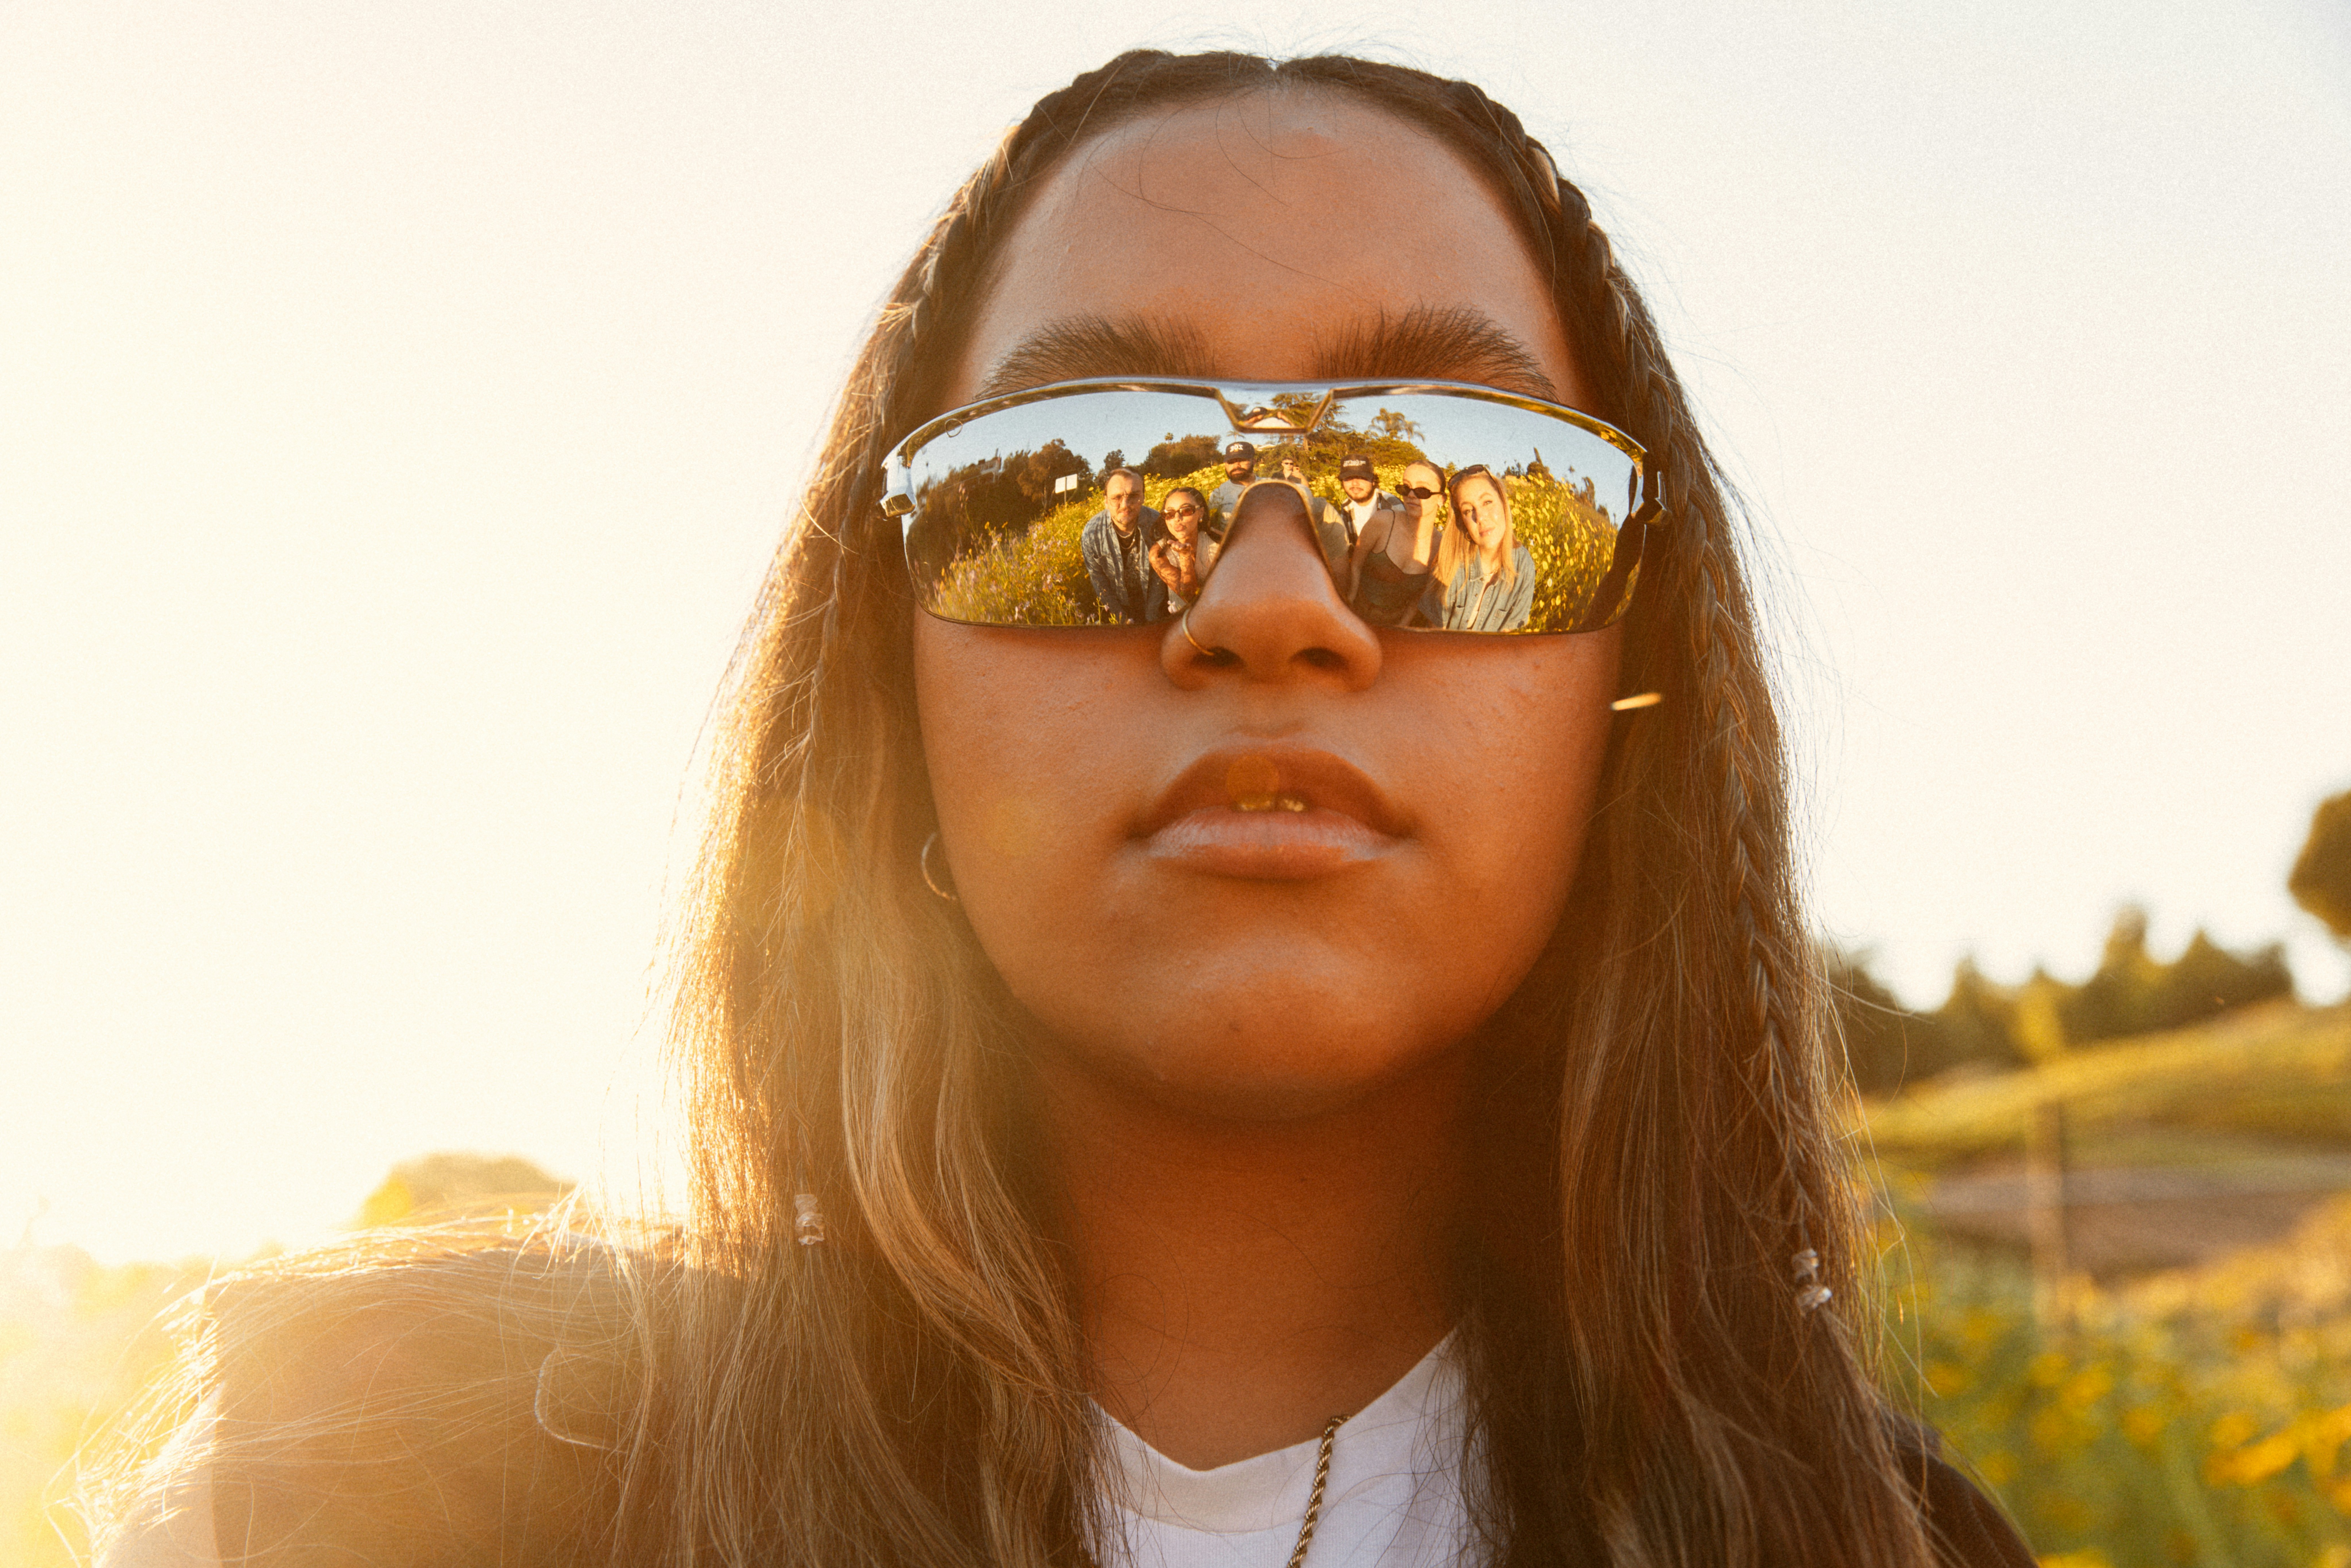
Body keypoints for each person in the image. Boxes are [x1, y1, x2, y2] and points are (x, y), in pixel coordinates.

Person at [90, 49, 2034, 1568]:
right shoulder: (357, 1498)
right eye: (1076, 487)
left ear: (1631, 679)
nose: (1268, 607)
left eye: (1454, 491)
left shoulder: (1879, 1549)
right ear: (888, 674)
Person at [1423, 465, 1536, 632]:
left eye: (1488, 502)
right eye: (1468, 510)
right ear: (1463, 522)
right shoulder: (1451, 562)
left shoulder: (1524, 565)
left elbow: (1507, 635)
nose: (1481, 518)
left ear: (1504, 504)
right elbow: (1435, 636)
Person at [1349, 458, 1443, 627]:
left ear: (1441, 499)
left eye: (1422, 490)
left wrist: (1401, 629)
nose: (1412, 495)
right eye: (1406, 488)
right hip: (1355, 620)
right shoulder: (1383, 522)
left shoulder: (1442, 546)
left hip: (1398, 629)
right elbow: (1355, 568)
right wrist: (1347, 612)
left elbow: (1419, 598)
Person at [1080, 466, 1170, 623]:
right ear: (1106, 501)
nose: (1125, 505)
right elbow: (1100, 584)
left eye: (1134, 496)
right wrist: (1121, 620)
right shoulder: (1092, 534)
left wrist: (1151, 619)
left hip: (1156, 608)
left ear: (1143, 497)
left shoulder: (1158, 524)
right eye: (1117, 498)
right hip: (1119, 609)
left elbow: (1161, 580)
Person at [1147, 485, 1216, 609]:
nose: (1177, 519)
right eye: (1170, 514)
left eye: (1186, 511)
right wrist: (1185, 557)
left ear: (1201, 513)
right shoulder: (1158, 554)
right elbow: (1190, 598)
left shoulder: (1217, 541)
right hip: (1185, 621)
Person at [1334, 451, 1401, 546]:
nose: (1355, 484)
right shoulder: (1347, 506)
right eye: (1348, 479)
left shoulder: (1392, 505)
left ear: (1373, 481)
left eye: (1361, 478)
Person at [1206, 438, 1256, 533]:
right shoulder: (1218, 493)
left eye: (1242, 460)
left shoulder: (1268, 486)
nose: (1237, 466)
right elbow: (1211, 526)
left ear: (1254, 462)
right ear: (1225, 465)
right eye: (1231, 462)